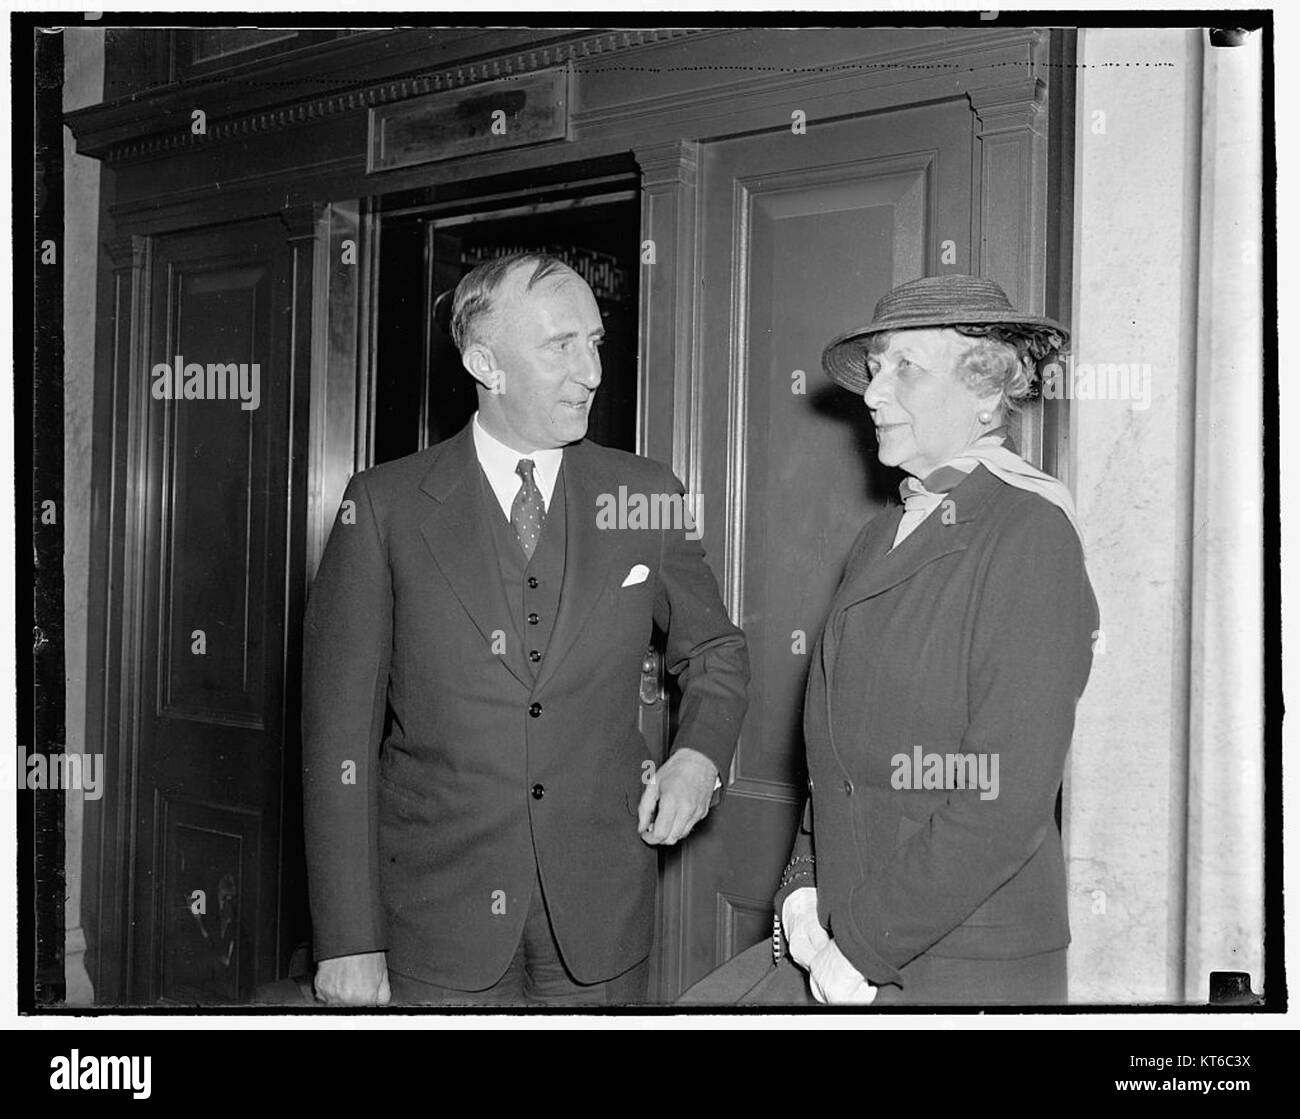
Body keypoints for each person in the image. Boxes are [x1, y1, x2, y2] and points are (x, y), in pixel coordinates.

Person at [302, 251, 748, 1006]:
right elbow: (337, 736)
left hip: (601, 919)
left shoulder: (645, 492)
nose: (592, 371)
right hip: (434, 925)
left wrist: (698, 756)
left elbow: (715, 651)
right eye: (560, 345)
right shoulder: (384, 507)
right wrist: (350, 938)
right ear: (487, 364)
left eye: (596, 342)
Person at [775, 273, 1098, 1006]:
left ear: (985, 390)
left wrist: (861, 944)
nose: (872, 393)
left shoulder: (1030, 532)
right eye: (876, 367)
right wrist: (804, 874)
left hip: (963, 964)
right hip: (852, 939)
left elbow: (1004, 798)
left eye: (904, 368)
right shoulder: (881, 534)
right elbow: (842, 737)